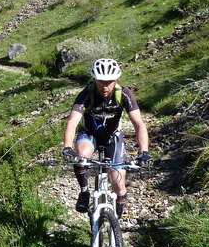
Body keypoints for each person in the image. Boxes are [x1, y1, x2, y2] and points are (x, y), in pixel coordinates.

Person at [62, 58, 152, 218]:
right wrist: (68, 147)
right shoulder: (86, 94)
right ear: (94, 79)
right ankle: (84, 191)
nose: (105, 86)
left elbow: (138, 124)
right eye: (101, 81)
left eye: (109, 82)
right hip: (90, 134)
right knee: (82, 155)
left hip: (112, 136)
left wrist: (143, 151)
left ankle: (115, 222)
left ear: (116, 80)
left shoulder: (124, 93)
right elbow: (72, 121)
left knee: (118, 184)